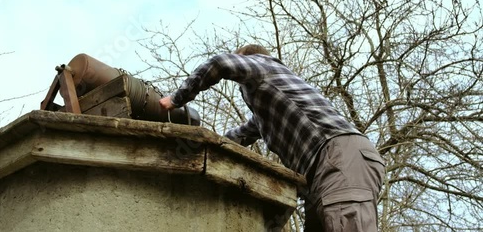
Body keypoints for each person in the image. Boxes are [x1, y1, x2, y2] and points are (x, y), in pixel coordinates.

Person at [159, 44, 385, 232]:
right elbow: (234, 139)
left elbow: (220, 64)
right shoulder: (265, 114)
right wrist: (196, 146)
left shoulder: (264, 67)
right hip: (322, 174)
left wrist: (176, 100)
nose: (242, 90)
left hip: (340, 159)